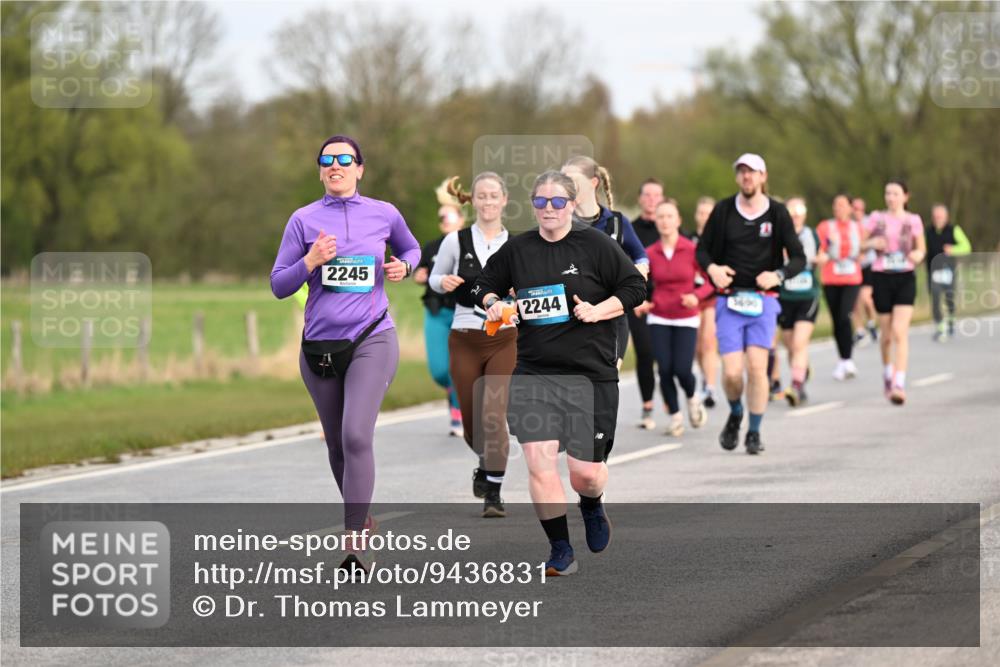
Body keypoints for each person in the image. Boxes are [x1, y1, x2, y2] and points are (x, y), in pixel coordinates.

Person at [473, 170, 646, 576]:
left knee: (584, 474)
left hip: (590, 374)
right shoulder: (519, 249)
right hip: (535, 373)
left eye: (556, 202)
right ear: (531, 205)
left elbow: (636, 288)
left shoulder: (596, 244)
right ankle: (560, 549)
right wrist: (493, 301)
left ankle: (590, 502)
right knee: (538, 462)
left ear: (571, 204)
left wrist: (598, 310)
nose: (548, 209)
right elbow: (482, 284)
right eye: (540, 202)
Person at [270, 135, 420, 570]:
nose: (335, 165)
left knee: (356, 435)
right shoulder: (302, 220)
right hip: (318, 347)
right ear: (319, 170)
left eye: (344, 159)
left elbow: (410, 247)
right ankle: (363, 517)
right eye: (327, 160)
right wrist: (310, 262)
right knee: (337, 444)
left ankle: (354, 541)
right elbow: (279, 285)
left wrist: (404, 265)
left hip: (372, 337)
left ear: (360, 169)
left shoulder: (384, 213)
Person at [696, 153, 805, 454]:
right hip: (729, 300)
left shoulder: (778, 214)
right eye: (742, 172)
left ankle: (754, 432)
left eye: (752, 172)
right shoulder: (723, 210)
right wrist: (713, 270)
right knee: (732, 373)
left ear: (763, 176)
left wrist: (778, 274)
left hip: (763, 300)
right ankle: (735, 413)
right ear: (737, 177)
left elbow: (798, 257)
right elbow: (702, 252)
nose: (747, 177)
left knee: (757, 368)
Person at [429, 173, 516, 518]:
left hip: (504, 337)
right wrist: (443, 281)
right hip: (464, 335)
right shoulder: (456, 241)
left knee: (494, 415)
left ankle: (493, 490)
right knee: (472, 423)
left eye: (494, 195)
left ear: (505, 200)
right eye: (482, 196)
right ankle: (485, 460)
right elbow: (435, 278)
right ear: (473, 201)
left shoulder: (518, 244)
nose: (488, 201)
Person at [561, 156, 649, 370]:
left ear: (593, 183)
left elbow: (640, 255)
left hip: (612, 315)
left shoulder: (617, 222)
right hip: (571, 317)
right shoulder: (559, 222)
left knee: (607, 381)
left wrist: (642, 268)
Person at [646, 199, 713, 436]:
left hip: (686, 317)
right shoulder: (650, 253)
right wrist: (642, 301)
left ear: (678, 220)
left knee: (682, 369)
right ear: (655, 221)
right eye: (660, 216)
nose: (664, 221)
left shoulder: (692, 249)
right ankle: (675, 417)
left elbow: (710, 281)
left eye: (669, 216)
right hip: (659, 317)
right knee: (664, 369)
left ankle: (693, 399)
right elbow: (639, 282)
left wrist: (697, 296)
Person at [862, 179, 926, 405]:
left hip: (905, 277)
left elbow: (921, 248)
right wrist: (871, 243)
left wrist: (918, 256)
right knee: (887, 336)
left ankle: (899, 382)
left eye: (895, 193)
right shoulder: (875, 219)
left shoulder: (913, 220)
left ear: (905, 197)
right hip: (881, 277)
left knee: (900, 331)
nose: (891, 197)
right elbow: (858, 245)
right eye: (888, 193)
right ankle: (887, 372)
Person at [413, 179, 466, 437]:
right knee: (440, 370)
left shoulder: (471, 244)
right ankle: (455, 391)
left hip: (463, 311)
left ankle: (459, 412)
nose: (444, 220)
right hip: (436, 310)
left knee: (458, 365)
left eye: (449, 215)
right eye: (441, 217)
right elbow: (419, 270)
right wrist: (419, 275)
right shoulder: (432, 247)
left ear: (461, 218)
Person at [775, 197, 820, 407]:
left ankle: (796, 385)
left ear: (805, 213)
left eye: (799, 210)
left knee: (799, 342)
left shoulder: (810, 234)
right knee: (790, 343)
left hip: (807, 295)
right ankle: (802, 369)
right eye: (791, 210)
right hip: (785, 296)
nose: (795, 214)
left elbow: (811, 256)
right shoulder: (779, 234)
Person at [629, 179, 665, 429]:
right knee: (645, 352)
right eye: (648, 195)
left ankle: (671, 400)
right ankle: (648, 405)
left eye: (657, 195)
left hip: (665, 302)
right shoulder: (630, 230)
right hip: (638, 301)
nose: (652, 200)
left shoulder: (670, 228)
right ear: (641, 199)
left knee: (665, 355)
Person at [815, 194, 863, 380]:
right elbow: (819, 250)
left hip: (851, 279)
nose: (838, 208)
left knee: (845, 315)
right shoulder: (825, 227)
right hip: (831, 278)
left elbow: (865, 247)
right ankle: (843, 360)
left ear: (850, 208)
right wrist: (826, 249)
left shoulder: (858, 227)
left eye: (842, 205)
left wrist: (863, 253)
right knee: (837, 320)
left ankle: (848, 359)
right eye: (836, 205)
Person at [925, 203, 972, 342]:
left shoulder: (954, 230)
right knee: (935, 298)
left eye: (940, 216)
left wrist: (953, 249)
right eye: (935, 216)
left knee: (949, 299)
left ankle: (951, 321)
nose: (938, 218)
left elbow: (967, 247)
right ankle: (940, 327)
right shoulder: (927, 231)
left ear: (946, 217)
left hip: (948, 271)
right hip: (932, 271)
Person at [690, 197, 720, 408]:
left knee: (709, 341)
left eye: (709, 213)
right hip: (691, 297)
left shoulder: (721, 241)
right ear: (696, 216)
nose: (705, 217)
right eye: (701, 213)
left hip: (711, 296)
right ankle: (703, 376)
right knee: (698, 346)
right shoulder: (687, 239)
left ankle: (710, 387)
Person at [851, 197, 879, 346]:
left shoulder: (870, 222)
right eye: (854, 209)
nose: (857, 212)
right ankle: (859, 331)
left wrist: (864, 248)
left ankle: (871, 323)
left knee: (866, 298)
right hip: (853, 266)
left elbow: (877, 241)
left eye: (860, 209)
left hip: (868, 264)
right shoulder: (848, 224)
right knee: (855, 301)